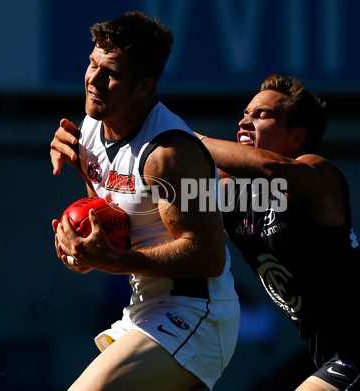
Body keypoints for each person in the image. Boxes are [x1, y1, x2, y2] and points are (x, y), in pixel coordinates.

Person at [49, 11, 239, 391]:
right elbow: (113, 224)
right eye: (92, 64)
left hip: (196, 314)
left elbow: (210, 256)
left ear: (143, 86)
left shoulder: (169, 153)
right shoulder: (88, 130)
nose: (93, 80)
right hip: (143, 309)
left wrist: (114, 261)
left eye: (111, 73)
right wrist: (84, 251)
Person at [195, 74, 360, 391]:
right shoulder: (233, 196)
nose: (245, 122)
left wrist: (184, 137)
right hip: (328, 356)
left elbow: (270, 169)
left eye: (261, 115)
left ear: (296, 137)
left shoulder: (317, 173)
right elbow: (173, 187)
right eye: (245, 114)